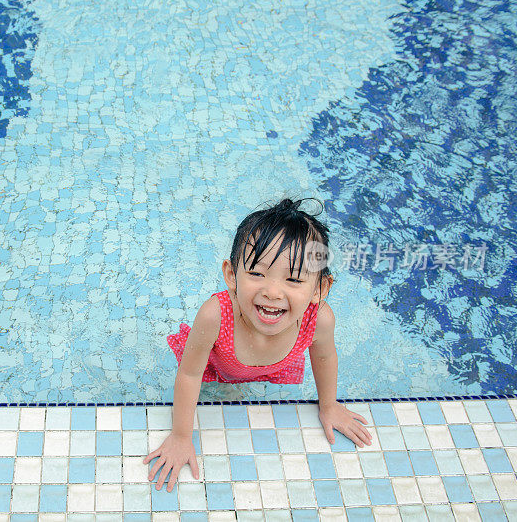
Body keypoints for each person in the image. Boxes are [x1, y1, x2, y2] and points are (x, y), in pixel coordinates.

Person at [144, 197, 373, 492]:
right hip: (218, 365)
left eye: (293, 279)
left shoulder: (319, 320)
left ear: (320, 288)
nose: (273, 291)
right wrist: (180, 436)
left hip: (273, 370)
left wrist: (328, 406)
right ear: (231, 275)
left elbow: (325, 357)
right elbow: (189, 374)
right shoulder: (215, 316)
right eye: (256, 274)